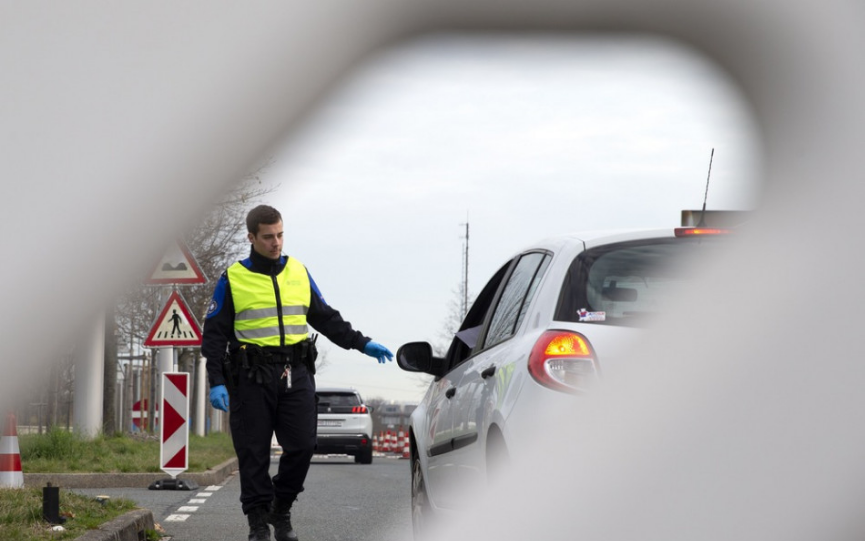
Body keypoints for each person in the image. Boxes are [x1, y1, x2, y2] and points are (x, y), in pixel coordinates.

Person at [202, 204, 393, 541]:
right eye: (268, 237)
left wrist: (362, 343)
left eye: (280, 234)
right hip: (251, 377)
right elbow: (215, 335)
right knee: (253, 452)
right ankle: (258, 522)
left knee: (304, 445)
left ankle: (281, 507)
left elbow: (326, 317)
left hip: (296, 372)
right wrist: (216, 382)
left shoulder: (299, 272)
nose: (276, 243)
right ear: (252, 237)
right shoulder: (233, 278)